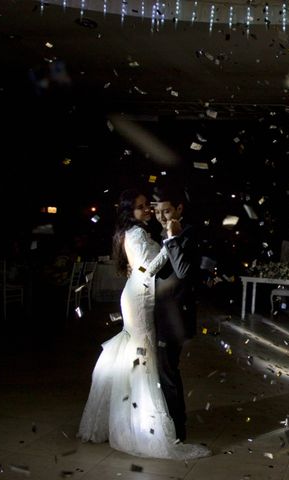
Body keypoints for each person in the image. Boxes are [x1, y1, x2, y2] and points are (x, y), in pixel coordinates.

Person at [77, 188, 210, 460]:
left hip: (141, 293)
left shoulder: (139, 232)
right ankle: (145, 422)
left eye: (146, 205)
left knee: (144, 356)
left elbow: (144, 266)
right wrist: (170, 240)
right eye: (140, 207)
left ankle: (139, 417)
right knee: (144, 355)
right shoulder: (137, 233)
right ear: (130, 212)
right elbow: (149, 267)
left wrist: (166, 241)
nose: (147, 210)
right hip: (140, 298)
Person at [151, 183, 198, 443]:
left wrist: (172, 238)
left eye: (166, 211)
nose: (161, 217)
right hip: (161, 313)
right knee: (164, 371)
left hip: (174, 317)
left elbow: (184, 273)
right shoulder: (162, 230)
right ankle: (169, 421)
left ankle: (177, 430)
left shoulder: (188, 233)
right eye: (157, 211)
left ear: (179, 208)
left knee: (168, 372)